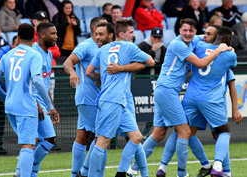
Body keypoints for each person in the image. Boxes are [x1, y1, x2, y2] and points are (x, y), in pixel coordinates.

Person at [153, 18, 230, 177]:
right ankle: (186, 172)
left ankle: (163, 167)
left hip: (182, 95)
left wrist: (215, 40)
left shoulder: (197, 42)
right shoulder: (180, 44)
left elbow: (204, 36)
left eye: (191, 31)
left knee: (170, 133)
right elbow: (203, 64)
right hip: (175, 92)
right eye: (185, 30)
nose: (188, 33)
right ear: (179, 30)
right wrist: (223, 48)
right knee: (216, 132)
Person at [86, 19, 154, 177]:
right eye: (131, 32)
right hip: (112, 100)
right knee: (102, 142)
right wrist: (122, 69)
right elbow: (150, 62)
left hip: (115, 100)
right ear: (121, 34)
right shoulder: (129, 47)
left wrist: (101, 80)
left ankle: (121, 173)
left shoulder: (103, 50)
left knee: (136, 136)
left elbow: (89, 71)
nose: (133, 34)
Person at [0, 23, 56, 177]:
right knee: (28, 145)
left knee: (36, 141)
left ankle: (28, 173)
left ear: (18, 36)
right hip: (26, 105)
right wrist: (49, 105)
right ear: (35, 35)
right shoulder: (34, 55)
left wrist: (3, 96)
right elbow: (37, 81)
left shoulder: (8, 55)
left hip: (10, 105)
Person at [182, 26, 238, 177]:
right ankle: (218, 167)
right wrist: (226, 49)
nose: (205, 36)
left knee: (184, 133)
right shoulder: (230, 56)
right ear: (227, 41)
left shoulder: (199, 46)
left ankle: (205, 166)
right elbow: (232, 71)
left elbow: (193, 38)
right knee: (223, 133)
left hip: (191, 98)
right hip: (212, 100)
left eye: (208, 34)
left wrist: (204, 38)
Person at [63, 17, 107, 177]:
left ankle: (76, 174)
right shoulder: (86, 46)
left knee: (83, 136)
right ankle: (87, 172)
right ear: (95, 29)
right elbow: (68, 62)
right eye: (103, 27)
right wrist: (73, 72)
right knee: (102, 138)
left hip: (93, 98)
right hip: (88, 98)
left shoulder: (104, 47)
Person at [27, 22, 60, 177]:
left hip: (43, 104)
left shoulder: (48, 53)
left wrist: (51, 106)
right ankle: (23, 169)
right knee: (48, 139)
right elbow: (31, 82)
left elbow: (44, 84)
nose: (56, 36)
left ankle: (28, 172)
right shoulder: (34, 53)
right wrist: (38, 104)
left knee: (43, 141)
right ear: (42, 35)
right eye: (53, 33)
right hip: (32, 103)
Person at [32, 11, 61, 101]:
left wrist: (45, 50)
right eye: (41, 20)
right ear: (34, 22)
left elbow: (57, 52)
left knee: (49, 96)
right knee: (36, 94)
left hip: (50, 70)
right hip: (36, 71)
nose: (44, 22)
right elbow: (32, 50)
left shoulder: (50, 35)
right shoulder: (31, 34)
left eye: (45, 20)